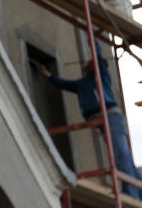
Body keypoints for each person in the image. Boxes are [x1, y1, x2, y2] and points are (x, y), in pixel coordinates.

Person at [37, 44, 142, 199]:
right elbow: (64, 84)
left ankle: (132, 192)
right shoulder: (81, 84)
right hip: (99, 119)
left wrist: (93, 42)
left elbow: (97, 58)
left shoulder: (101, 75)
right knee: (122, 155)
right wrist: (48, 75)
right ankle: (138, 190)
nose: (88, 64)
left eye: (91, 63)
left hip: (110, 116)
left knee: (120, 155)